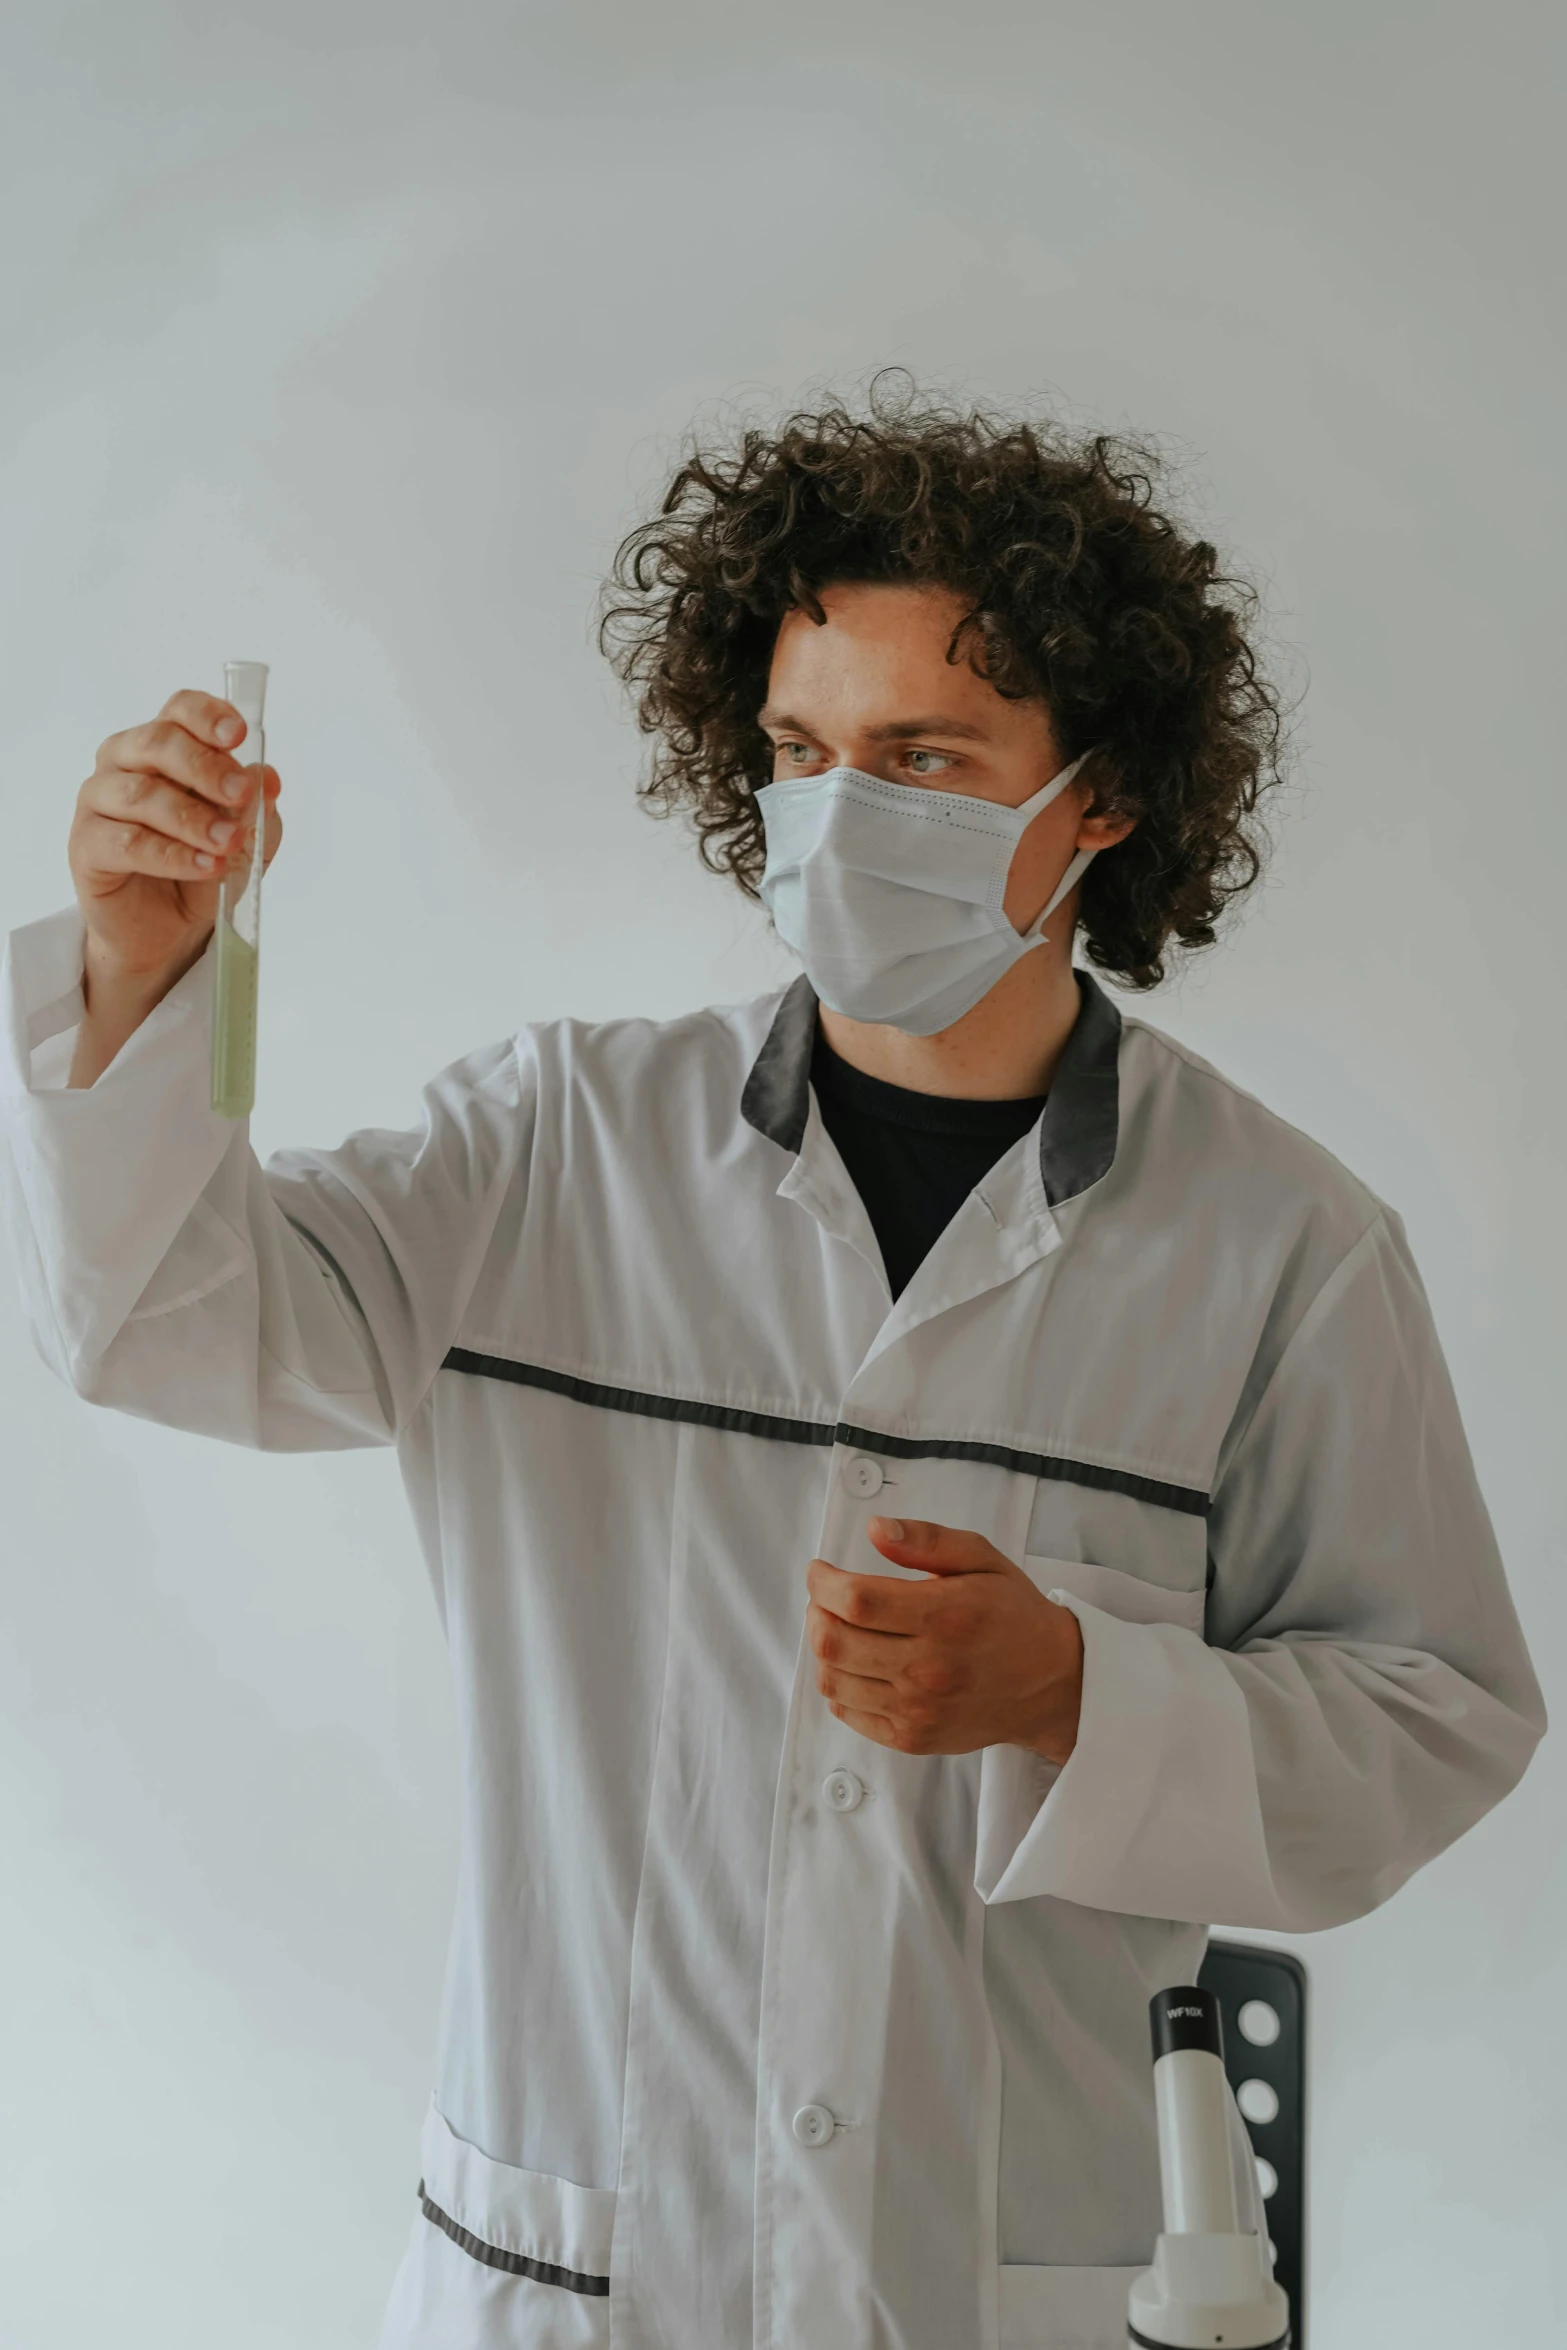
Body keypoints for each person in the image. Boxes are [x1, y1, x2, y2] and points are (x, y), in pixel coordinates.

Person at [0, 387, 1544, 2350]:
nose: (836, 817)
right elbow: (152, 1318)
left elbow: (1438, 1718)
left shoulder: (1283, 1250)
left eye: (921, 756)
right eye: (804, 751)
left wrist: (1085, 1688)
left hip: (1007, 2282)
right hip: (573, 2278)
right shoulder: (554, 1150)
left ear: (1105, 796)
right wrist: (142, 972)